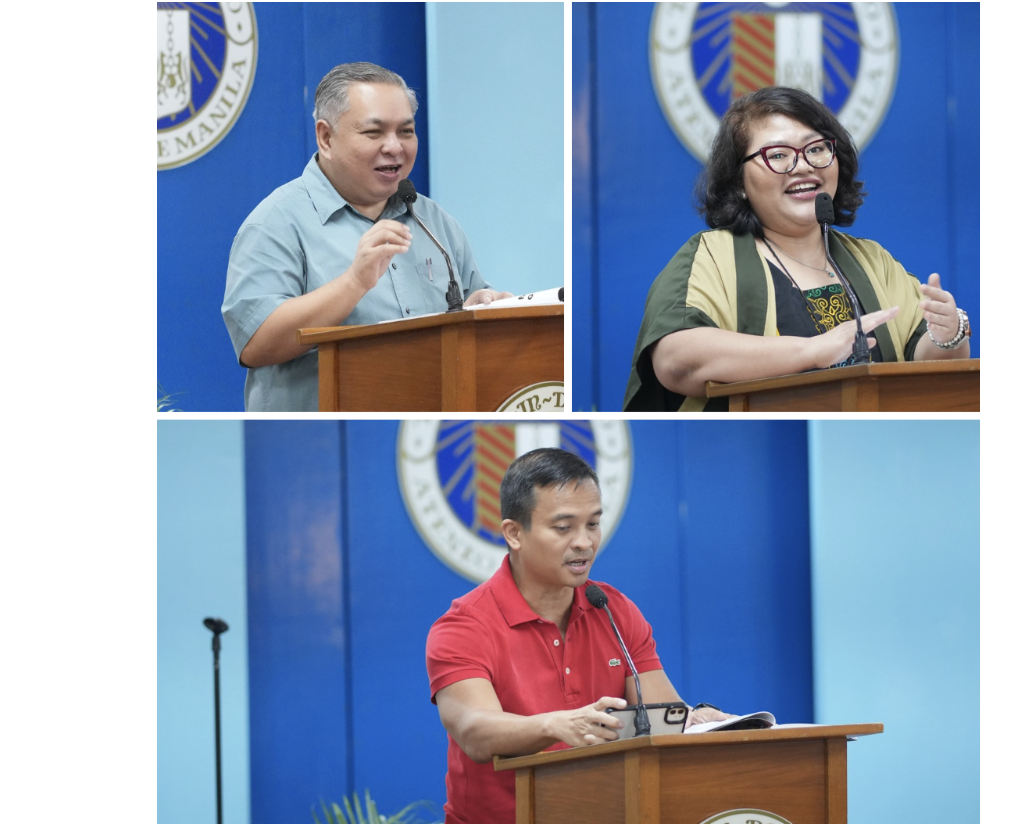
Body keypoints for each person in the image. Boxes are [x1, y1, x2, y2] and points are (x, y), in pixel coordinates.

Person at [425, 448, 731, 824]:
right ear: (514, 533)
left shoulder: (613, 609)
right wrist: (558, 724)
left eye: (593, 524)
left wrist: (700, 721)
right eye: (563, 527)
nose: (584, 542)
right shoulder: (464, 626)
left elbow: (664, 718)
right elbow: (475, 732)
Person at [624, 86, 973, 412]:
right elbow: (676, 360)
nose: (803, 165)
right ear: (739, 182)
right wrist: (812, 351)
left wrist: (948, 337)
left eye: (816, 149)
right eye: (778, 155)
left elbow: (924, 369)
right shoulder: (710, 257)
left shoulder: (872, 260)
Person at [222, 62, 512, 411]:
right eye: (374, 133)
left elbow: (465, 310)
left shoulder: (433, 221)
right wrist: (354, 282)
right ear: (326, 137)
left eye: (406, 131)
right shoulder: (275, 223)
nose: (395, 147)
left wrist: (479, 307)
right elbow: (256, 343)